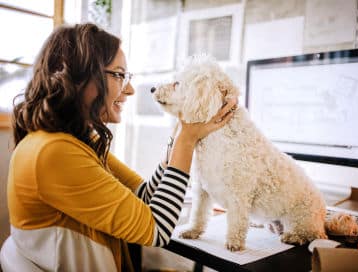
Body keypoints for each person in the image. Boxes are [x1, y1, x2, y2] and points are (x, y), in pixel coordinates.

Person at [1, 23, 237, 271]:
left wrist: (177, 138)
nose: (130, 89)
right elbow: (157, 229)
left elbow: (143, 198)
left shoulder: (75, 141)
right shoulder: (54, 152)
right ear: (80, 78)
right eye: (119, 75)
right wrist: (186, 141)